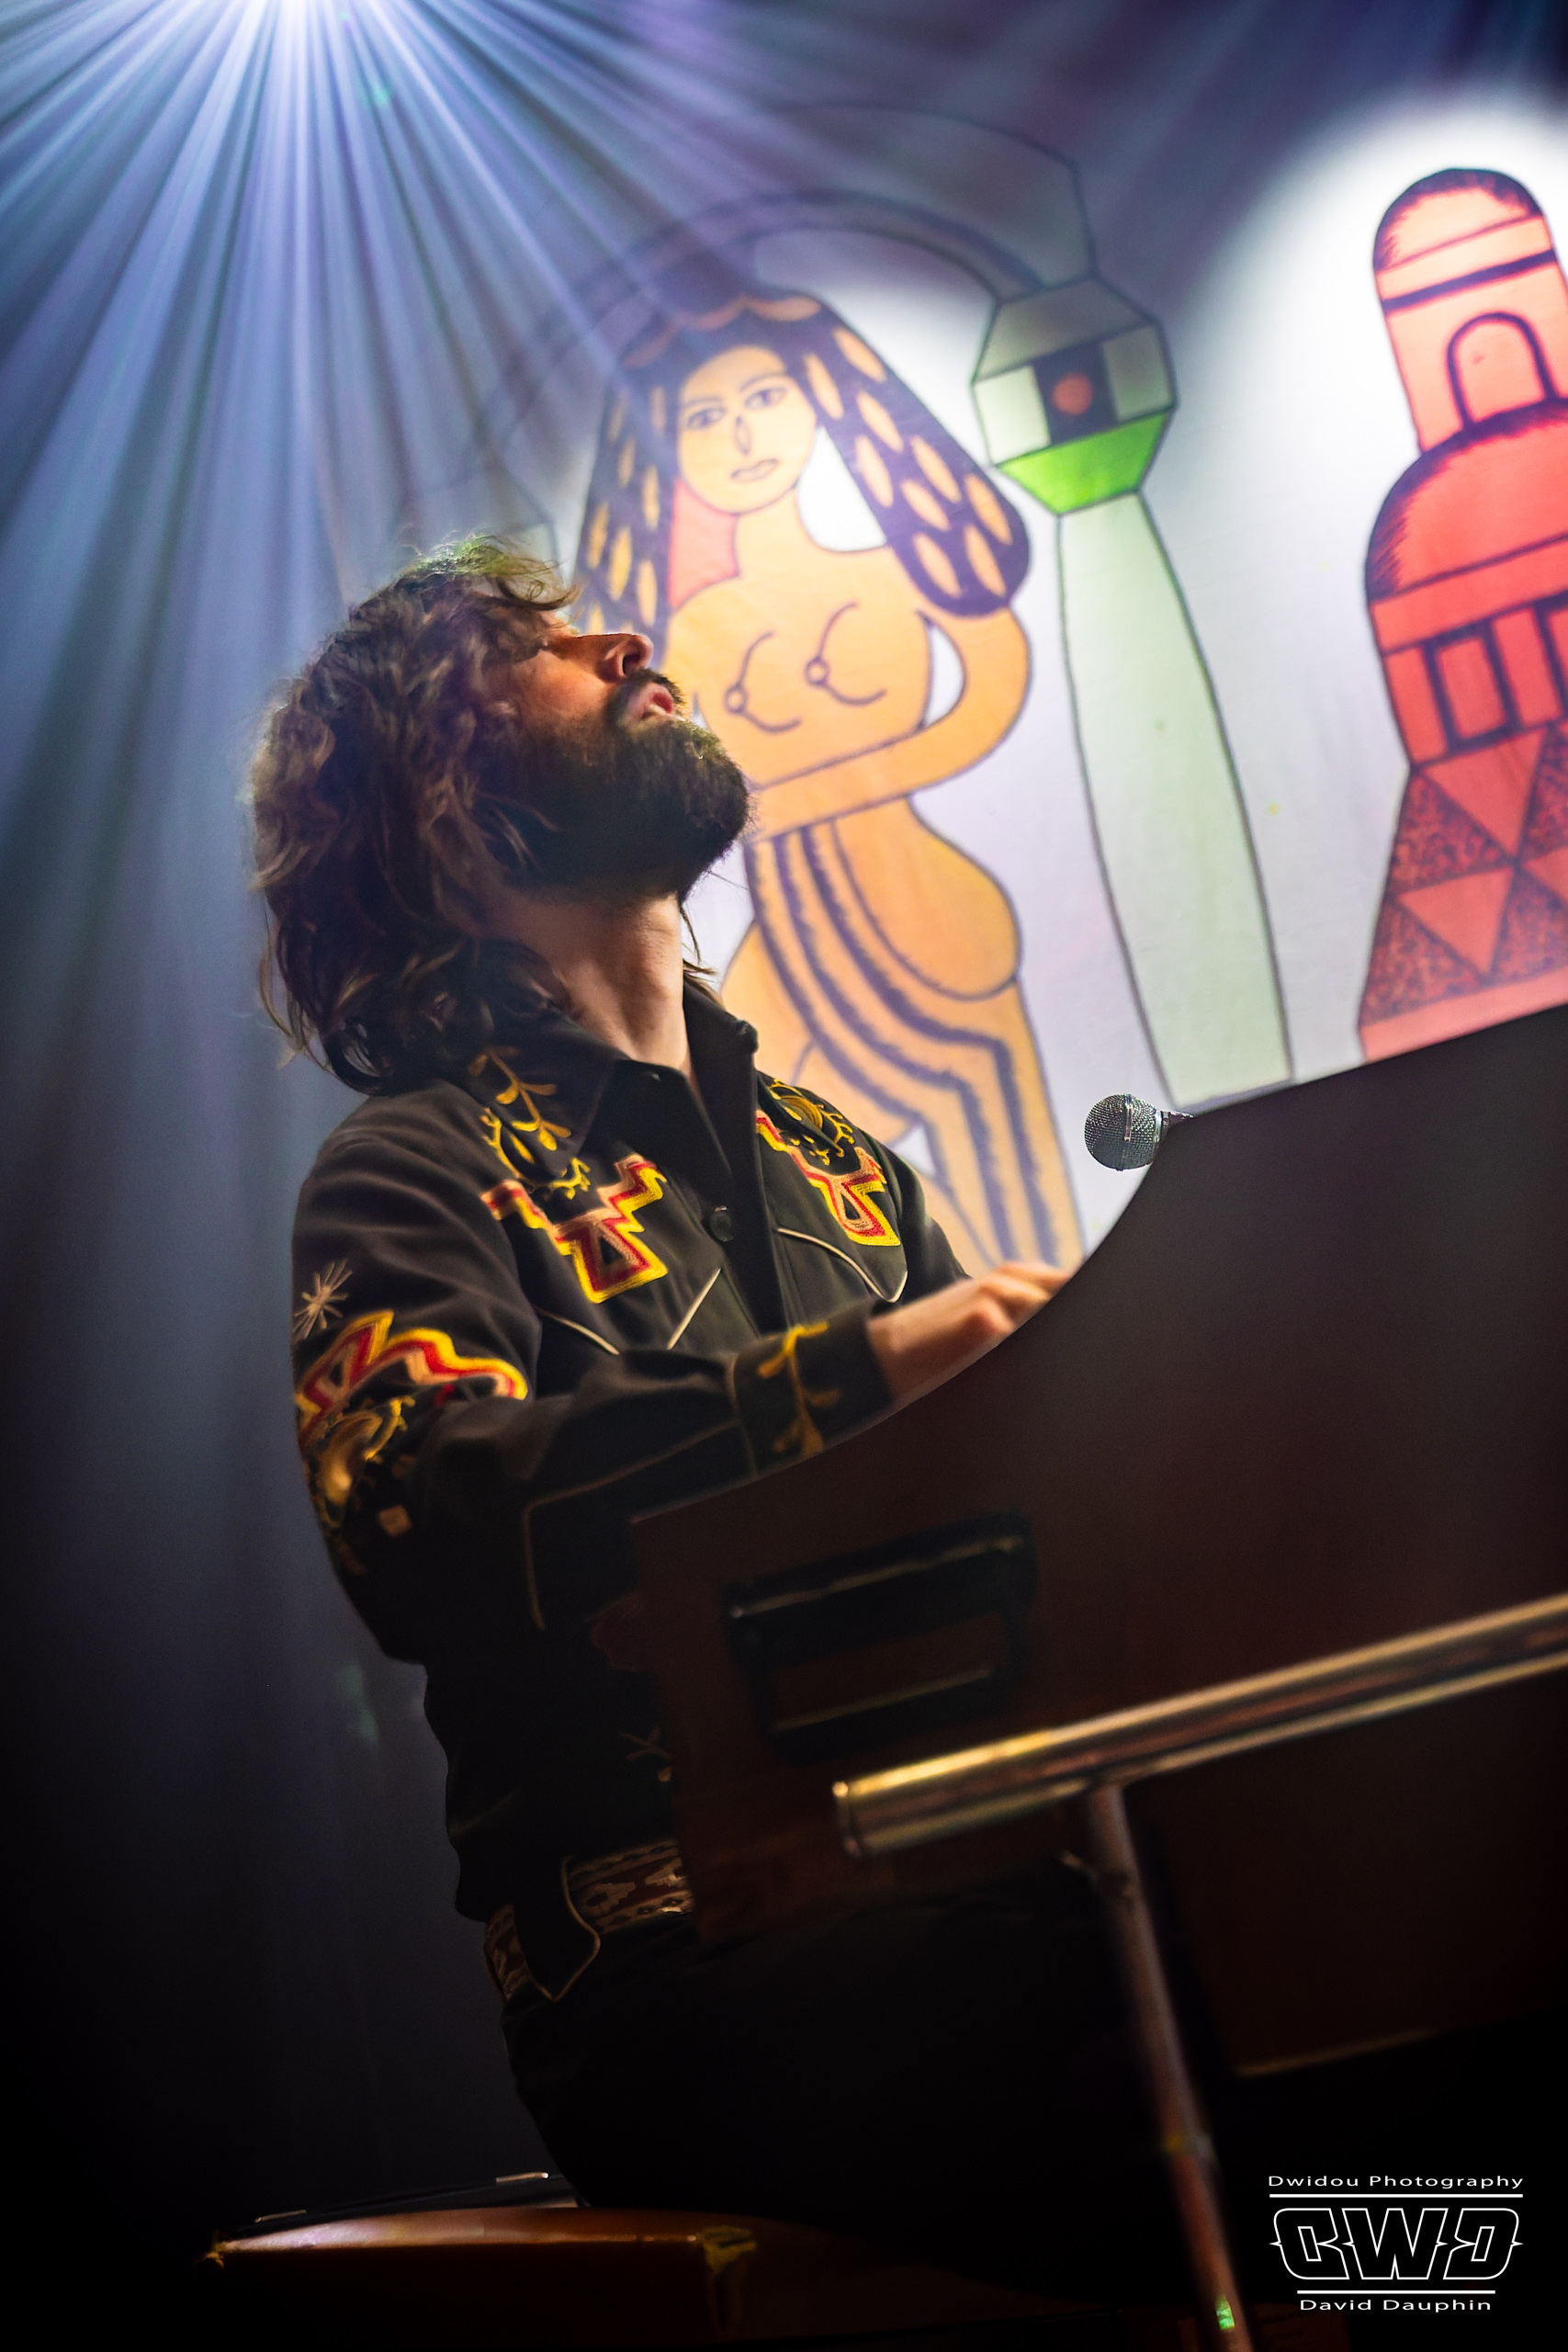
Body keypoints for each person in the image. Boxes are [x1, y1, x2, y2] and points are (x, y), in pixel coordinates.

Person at [252, 537, 1185, 2297]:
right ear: (441, 809)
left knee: (1368, 1934)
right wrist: (856, 1379)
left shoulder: (844, 1172)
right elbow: (415, 1512)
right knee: (1167, 2019)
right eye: (532, 645)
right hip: (677, 1970)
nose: (621, 639)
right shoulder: (409, 1168)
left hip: (970, 1881)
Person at [573, 268, 1082, 1276]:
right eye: (707, 417)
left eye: (765, 398)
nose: (742, 435)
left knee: (1009, 1165)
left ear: (814, 403)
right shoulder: (690, 633)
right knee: (803, 1215)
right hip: (788, 940)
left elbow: (992, 686)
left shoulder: (889, 570)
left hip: (931, 907)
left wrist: (829, 787)